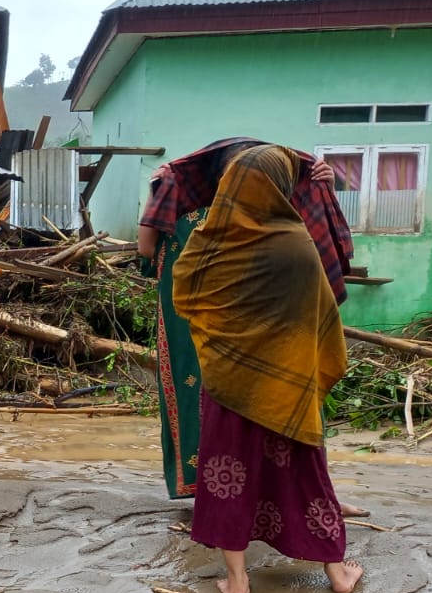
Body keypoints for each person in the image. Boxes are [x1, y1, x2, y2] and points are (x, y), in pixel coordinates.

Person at [171, 144, 363, 593]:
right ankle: (336, 574)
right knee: (304, 474)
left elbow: (186, 295)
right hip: (287, 388)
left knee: (227, 478)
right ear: (277, 186)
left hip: (227, 384)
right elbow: (321, 316)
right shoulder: (295, 242)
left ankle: (237, 582)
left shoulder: (208, 239)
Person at [136, 138, 355, 505]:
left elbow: (321, 259)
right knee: (236, 417)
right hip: (231, 344)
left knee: (288, 410)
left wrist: (325, 190)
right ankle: (238, 498)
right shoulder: (198, 223)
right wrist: (157, 192)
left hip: (274, 340)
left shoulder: (285, 219)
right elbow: (151, 253)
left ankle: (302, 495)